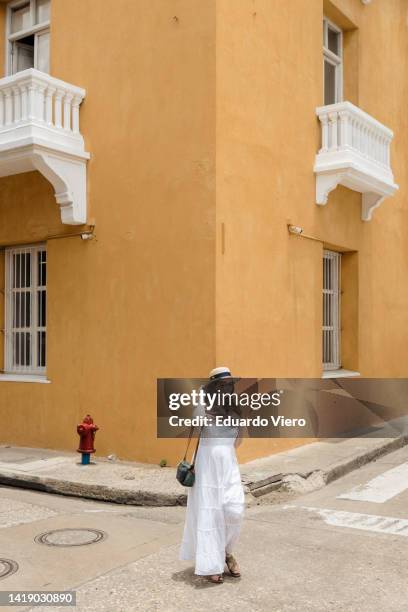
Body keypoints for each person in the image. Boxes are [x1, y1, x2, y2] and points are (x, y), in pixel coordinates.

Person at [179, 366, 245, 584]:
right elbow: (195, 425)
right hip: (207, 470)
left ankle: (226, 552)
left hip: (228, 468)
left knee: (235, 510)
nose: (227, 389)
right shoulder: (203, 408)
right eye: (223, 385)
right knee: (210, 515)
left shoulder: (236, 411)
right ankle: (210, 564)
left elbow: (237, 443)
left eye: (230, 385)